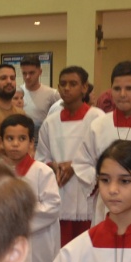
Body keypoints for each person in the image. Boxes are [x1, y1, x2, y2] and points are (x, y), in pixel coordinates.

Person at [74, 60, 131, 224]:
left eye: (129, 88)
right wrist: (104, 180)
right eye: (117, 89)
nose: (122, 94)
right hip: (107, 205)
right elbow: (82, 162)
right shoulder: (99, 125)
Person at [37, 65, 104, 246]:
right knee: (61, 248)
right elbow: (41, 157)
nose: (66, 88)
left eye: (73, 84)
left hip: (88, 194)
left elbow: (106, 157)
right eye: (63, 84)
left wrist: (75, 166)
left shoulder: (98, 118)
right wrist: (55, 166)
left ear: (84, 87)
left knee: (86, 247)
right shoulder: (51, 122)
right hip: (60, 191)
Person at [1, 114, 60, 262]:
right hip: (7, 244)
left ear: (31, 142)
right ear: (2, 141)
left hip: (36, 246)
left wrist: (16, 219)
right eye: (10, 139)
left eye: (21, 139)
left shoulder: (43, 172)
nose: (15, 144)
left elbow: (52, 207)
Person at [20, 55, 60, 141]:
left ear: (40, 72)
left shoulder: (52, 93)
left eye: (31, 73)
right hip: (21, 139)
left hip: (42, 140)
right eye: (24, 73)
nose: (27, 77)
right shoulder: (17, 93)